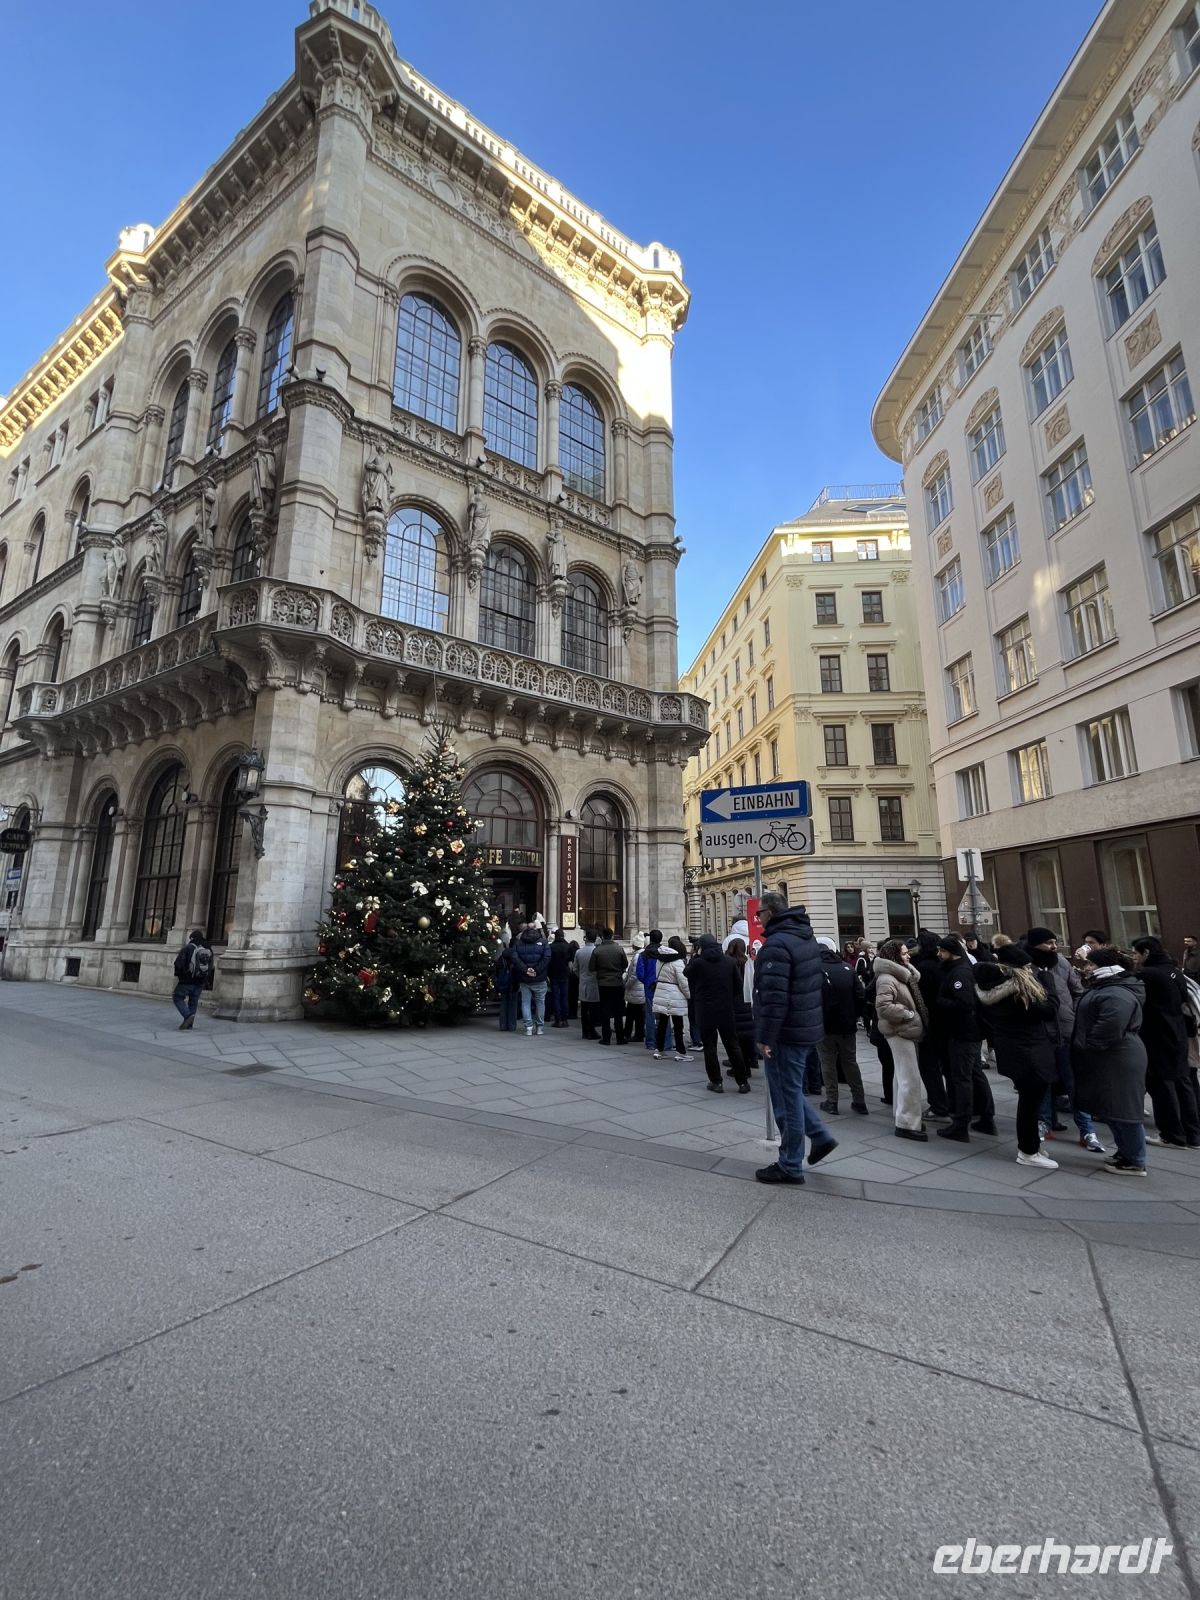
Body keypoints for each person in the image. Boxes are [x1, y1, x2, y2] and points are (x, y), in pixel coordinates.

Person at [752, 893, 838, 1185]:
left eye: (760, 913)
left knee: (786, 1098)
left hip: (785, 1033)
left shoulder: (777, 944)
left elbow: (775, 999)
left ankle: (790, 1164)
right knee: (790, 1091)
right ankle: (820, 1136)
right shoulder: (804, 937)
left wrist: (765, 1037)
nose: (758, 918)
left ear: (772, 913)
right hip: (804, 1027)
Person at [975, 947, 1060, 1169]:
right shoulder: (1017, 993)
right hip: (1028, 1050)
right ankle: (1028, 1151)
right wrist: (1049, 984)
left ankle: (1030, 1145)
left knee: (1029, 1100)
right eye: (1026, 967)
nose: (1029, 971)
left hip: (1015, 1049)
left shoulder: (994, 990)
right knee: (1030, 1103)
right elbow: (1049, 1009)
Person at [1072, 948, 1149, 1175]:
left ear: (1101, 966)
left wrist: (1090, 1047)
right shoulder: (1108, 986)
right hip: (1111, 1055)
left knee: (1124, 1110)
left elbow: (1110, 1026)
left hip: (1117, 1056)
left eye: (1090, 964)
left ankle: (1135, 1159)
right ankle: (1126, 1153)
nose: (1087, 968)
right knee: (1113, 1108)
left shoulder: (1115, 991)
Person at [1023, 927, 1101, 1149]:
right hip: (1040, 1032)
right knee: (1044, 1081)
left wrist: (1074, 1015)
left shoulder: (1062, 962)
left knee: (1073, 1082)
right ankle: (1044, 1122)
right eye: (1048, 943)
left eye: (1054, 942)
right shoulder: (1027, 967)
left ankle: (1086, 1130)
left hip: (1067, 1031)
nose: (1053, 946)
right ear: (1036, 944)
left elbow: (1076, 990)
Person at [1132, 936, 1200, 1148]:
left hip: (1156, 1035)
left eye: (1136, 953)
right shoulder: (1174, 971)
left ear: (1146, 953)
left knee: (1161, 1085)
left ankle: (1171, 1135)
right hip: (1178, 1031)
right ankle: (1193, 1134)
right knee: (1183, 1081)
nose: (1134, 957)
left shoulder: (1148, 974)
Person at [935, 935, 996, 1142]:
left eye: (942, 951)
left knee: (962, 1077)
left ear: (950, 952)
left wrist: (941, 1001)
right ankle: (987, 1118)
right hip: (970, 1032)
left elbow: (965, 1003)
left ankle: (961, 1124)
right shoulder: (961, 969)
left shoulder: (959, 972)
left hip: (963, 1032)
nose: (939, 955)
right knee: (975, 1074)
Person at [871, 939, 929, 1140]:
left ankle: (902, 1116)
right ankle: (907, 1124)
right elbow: (883, 1007)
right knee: (910, 1079)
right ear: (894, 956)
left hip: (904, 1030)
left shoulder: (901, 975)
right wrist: (909, 1015)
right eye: (904, 953)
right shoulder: (887, 978)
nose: (908, 956)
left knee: (903, 1076)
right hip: (900, 1031)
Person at [686, 934, 751, 1094]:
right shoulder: (729, 962)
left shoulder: (699, 963)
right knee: (733, 1045)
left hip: (705, 1010)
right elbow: (738, 987)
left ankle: (716, 1081)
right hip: (725, 1009)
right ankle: (742, 1082)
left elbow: (687, 973)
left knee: (710, 1047)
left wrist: (695, 956)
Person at [815, 936, 868, 1115]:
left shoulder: (816, 971)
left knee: (827, 1062)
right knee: (850, 1062)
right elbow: (861, 996)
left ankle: (832, 1101)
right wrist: (854, 1015)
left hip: (824, 1025)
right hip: (847, 1025)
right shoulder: (847, 968)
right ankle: (859, 1100)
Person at [911, 928, 951, 1119]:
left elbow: (921, 998)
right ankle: (953, 1102)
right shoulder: (942, 965)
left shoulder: (924, 968)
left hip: (932, 1023)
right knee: (947, 1067)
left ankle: (938, 1104)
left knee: (928, 1066)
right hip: (946, 1022)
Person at [651, 937, 692, 1060]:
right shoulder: (678, 962)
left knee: (662, 1024)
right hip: (674, 995)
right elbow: (683, 982)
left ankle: (659, 1049)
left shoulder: (660, 960)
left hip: (661, 992)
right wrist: (689, 995)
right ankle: (681, 1052)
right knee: (678, 1026)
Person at [727, 937, 758, 1080]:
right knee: (746, 1038)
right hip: (746, 1002)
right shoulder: (748, 963)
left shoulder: (729, 963)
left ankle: (739, 1068)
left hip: (733, 1003)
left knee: (735, 1040)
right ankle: (749, 1064)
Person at [592, 927, 629, 1045]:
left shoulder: (597, 950)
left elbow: (591, 967)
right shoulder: (619, 949)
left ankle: (606, 1037)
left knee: (605, 1011)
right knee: (618, 1011)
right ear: (612, 936)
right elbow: (625, 964)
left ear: (602, 936)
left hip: (603, 983)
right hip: (617, 983)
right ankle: (620, 1037)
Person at [512, 923, 550, 1036]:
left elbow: (515, 958)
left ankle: (528, 1027)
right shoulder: (543, 942)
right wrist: (537, 970)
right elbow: (547, 957)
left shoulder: (518, 942)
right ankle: (539, 1027)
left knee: (525, 1002)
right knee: (540, 1002)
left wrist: (526, 970)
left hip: (525, 978)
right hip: (540, 977)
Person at [172, 929, 214, 1029]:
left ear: (191, 938)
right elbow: (211, 966)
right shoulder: (208, 949)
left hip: (187, 980)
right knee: (193, 1001)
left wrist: (181, 976)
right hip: (201, 980)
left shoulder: (188, 948)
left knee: (177, 997)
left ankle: (187, 1016)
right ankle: (189, 1024)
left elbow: (178, 964)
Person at [636, 932, 662, 1052]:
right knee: (664, 1015)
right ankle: (665, 1042)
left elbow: (640, 973)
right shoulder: (665, 953)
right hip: (662, 986)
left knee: (650, 1015)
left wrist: (647, 982)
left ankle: (651, 1041)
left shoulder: (644, 954)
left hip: (649, 986)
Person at [574, 929, 600, 1039]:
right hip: (594, 982)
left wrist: (581, 976)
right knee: (593, 1008)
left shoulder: (579, 952)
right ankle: (592, 1030)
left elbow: (575, 969)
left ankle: (585, 1031)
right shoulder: (597, 951)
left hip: (583, 981)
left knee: (584, 1009)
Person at [547, 929, 573, 1028]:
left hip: (554, 974)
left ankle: (558, 1019)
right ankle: (565, 1019)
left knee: (556, 997)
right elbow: (571, 963)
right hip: (564, 974)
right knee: (564, 996)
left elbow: (548, 961)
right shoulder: (568, 946)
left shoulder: (551, 947)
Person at [493, 943, 518, 1032]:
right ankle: (512, 1025)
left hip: (503, 984)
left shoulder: (501, 957)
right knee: (513, 1005)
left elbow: (496, 972)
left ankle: (503, 1025)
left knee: (503, 1004)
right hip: (513, 984)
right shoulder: (515, 956)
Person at [623, 953, 645, 1043]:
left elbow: (634, 975)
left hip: (636, 989)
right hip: (640, 989)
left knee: (632, 1013)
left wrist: (626, 985)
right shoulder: (641, 954)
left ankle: (634, 1033)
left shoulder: (637, 956)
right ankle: (635, 1033)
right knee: (636, 1013)